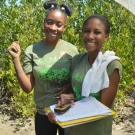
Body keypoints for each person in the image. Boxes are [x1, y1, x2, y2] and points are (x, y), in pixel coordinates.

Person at [7, 0, 78, 135]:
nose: (53, 28)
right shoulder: (31, 50)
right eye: (49, 22)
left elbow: (79, 79)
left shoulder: (72, 50)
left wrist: (70, 85)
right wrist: (16, 60)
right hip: (43, 113)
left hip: (68, 110)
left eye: (59, 24)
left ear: (65, 27)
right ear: (44, 22)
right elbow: (27, 88)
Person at [47, 14, 123, 135]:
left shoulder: (112, 66)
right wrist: (67, 99)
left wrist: (62, 117)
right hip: (71, 130)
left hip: (96, 131)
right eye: (86, 31)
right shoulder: (77, 60)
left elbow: (101, 108)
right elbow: (76, 91)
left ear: (106, 36)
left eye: (97, 32)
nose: (90, 36)